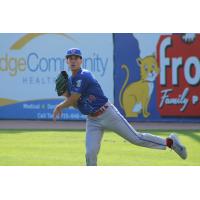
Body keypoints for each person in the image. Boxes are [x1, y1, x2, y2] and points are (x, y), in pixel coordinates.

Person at [53, 48, 187, 166]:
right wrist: (66, 95)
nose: (73, 60)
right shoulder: (70, 82)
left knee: (136, 139)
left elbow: (75, 98)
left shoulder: (84, 75)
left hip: (108, 114)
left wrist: (61, 105)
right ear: (67, 61)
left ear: (81, 60)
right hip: (93, 120)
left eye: (76, 58)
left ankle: (170, 142)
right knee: (90, 153)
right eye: (70, 58)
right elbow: (79, 106)